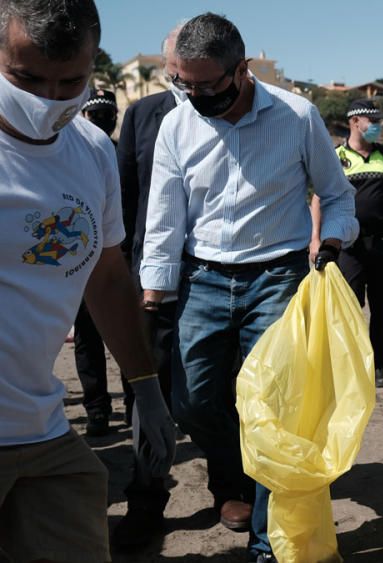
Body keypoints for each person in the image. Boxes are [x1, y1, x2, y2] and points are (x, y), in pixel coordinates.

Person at [140, 13, 358, 560]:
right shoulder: (177, 125)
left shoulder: (297, 115)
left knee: (276, 414)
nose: (193, 96)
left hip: (277, 278)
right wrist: (153, 295)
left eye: (206, 85)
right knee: (191, 403)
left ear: (242, 70)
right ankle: (235, 470)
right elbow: (165, 219)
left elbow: (336, 196)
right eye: (183, 85)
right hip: (203, 279)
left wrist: (328, 246)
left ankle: (268, 544)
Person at [0, 1, 175, 561]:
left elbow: (105, 273)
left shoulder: (91, 151)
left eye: (69, 81)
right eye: (26, 79)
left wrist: (145, 384)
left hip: (43, 432)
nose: (48, 99)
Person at [112, 22, 186, 549]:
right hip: (148, 278)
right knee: (146, 386)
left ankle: (230, 486)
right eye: (177, 63)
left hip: (214, 274)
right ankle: (147, 493)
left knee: (217, 388)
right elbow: (123, 197)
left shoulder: (239, 114)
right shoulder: (142, 114)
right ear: (167, 68)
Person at [315, 98, 383, 388]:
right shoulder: (336, 155)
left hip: (382, 243)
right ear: (355, 121)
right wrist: (316, 239)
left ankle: (380, 367)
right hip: (348, 245)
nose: (378, 127)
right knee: (350, 306)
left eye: (381, 122)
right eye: (373, 121)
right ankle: (351, 366)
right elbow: (319, 198)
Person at [73, 88, 120, 437]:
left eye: (109, 113)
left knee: (127, 338)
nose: (104, 119)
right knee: (89, 343)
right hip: (81, 263)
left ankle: (137, 407)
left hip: (119, 260)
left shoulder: (120, 153)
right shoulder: (73, 153)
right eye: (98, 113)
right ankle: (97, 410)